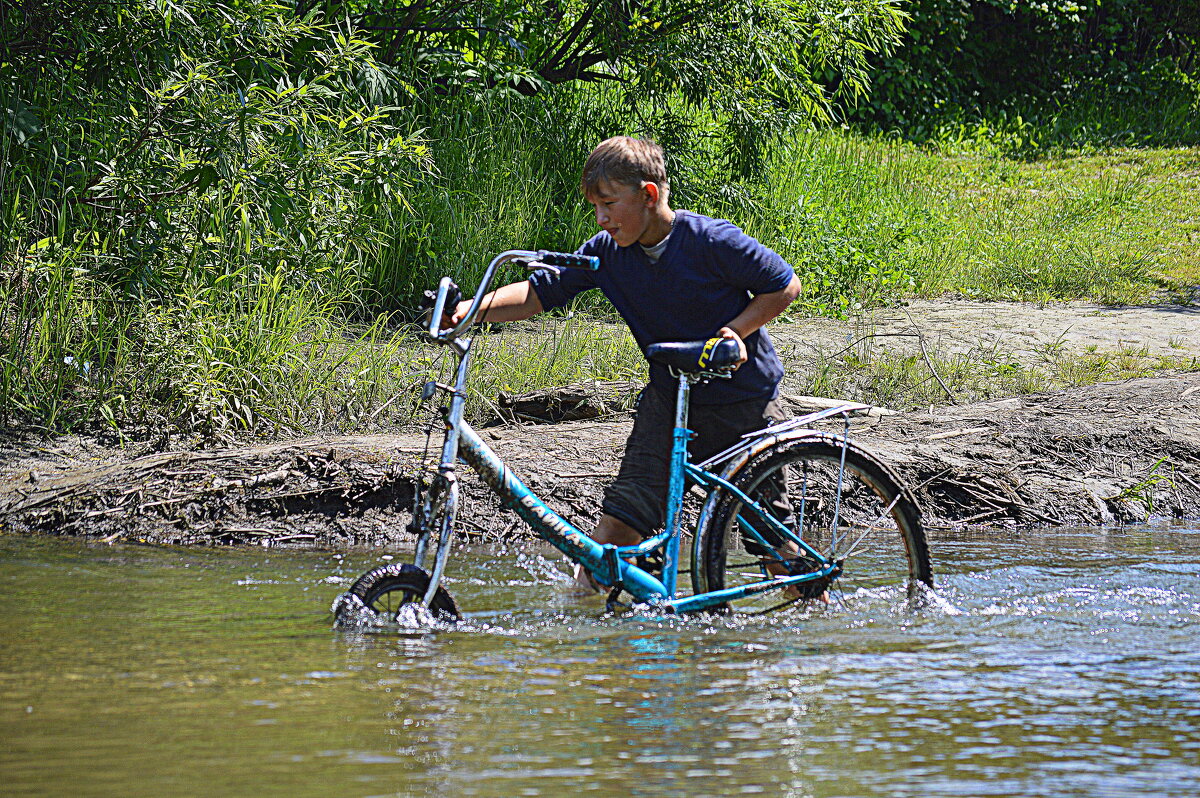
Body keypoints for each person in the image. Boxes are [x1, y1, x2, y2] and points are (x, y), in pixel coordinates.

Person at [445, 136, 802, 591]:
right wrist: (474, 308)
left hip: (742, 399)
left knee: (770, 538)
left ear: (649, 195)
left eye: (609, 204)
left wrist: (737, 329)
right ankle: (592, 635)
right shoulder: (607, 253)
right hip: (670, 398)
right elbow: (538, 293)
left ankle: (813, 615)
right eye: (595, 207)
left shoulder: (710, 241)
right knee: (620, 522)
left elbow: (783, 285)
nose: (601, 218)